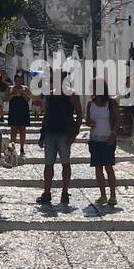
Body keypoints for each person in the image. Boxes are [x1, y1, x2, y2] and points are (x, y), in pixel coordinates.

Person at [37, 72, 82, 206]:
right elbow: (47, 115)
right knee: (48, 164)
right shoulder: (50, 94)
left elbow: (79, 114)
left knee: (65, 163)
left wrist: (74, 134)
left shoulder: (72, 95)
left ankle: (64, 192)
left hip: (64, 133)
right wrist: (42, 134)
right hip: (51, 132)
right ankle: (47, 192)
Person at [87, 79, 120, 206]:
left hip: (108, 140)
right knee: (98, 168)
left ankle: (113, 195)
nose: (92, 89)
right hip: (95, 140)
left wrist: (114, 133)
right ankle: (102, 195)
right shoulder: (91, 104)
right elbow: (88, 119)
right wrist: (89, 123)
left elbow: (117, 119)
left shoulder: (111, 103)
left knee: (108, 167)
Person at [7, 81, 31, 160]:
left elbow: (28, 99)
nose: (18, 82)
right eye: (17, 80)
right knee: (13, 130)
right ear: (14, 80)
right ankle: (12, 148)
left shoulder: (26, 88)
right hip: (14, 111)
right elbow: (6, 98)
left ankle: (22, 147)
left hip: (23, 111)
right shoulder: (10, 88)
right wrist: (14, 94)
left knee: (22, 130)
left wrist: (23, 93)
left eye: (20, 80)